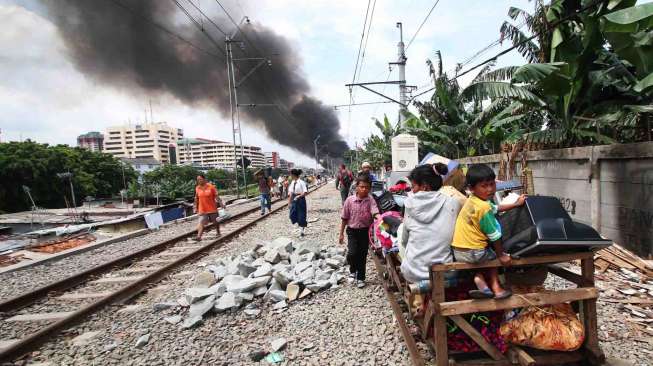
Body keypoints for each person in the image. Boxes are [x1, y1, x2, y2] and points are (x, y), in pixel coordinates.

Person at [451, 164, 526, 299]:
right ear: (471, 188)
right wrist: (501, 255)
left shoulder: (473, 200)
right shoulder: (483, 208)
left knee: (481, 256)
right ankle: (497, 288)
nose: (490, 189)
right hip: (474, 252)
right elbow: (494, 236)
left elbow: (496, 208)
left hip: (458, 251)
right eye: (484, 186)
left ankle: (481, 283)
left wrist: (515, 204)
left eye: (492, 184)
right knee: (493, 256)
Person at [400, 163, 462, 283]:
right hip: (446, 272)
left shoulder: (409, 203)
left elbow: (404, 241)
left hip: (414, 273)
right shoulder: (454, 203)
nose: (412, 191)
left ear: (424, 186)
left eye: (413, 186)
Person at [338, 174, 380, 288]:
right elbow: (344, 217)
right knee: (352, 253)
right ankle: (352, 271)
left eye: (367, 187)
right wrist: (341, 233)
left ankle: (361, 277)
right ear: (356, 187)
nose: (364, 189)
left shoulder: (370, 200)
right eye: (362, 187)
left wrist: (378, 217)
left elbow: (374, 211)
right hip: (352, 231)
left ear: (370, 188)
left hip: (365, 231)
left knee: (362, 255)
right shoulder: (349, 200)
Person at [193, 174, 221, 241]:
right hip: (202, 209)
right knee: (201, 221)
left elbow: (216, 196)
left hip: (212, 208)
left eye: (200, 179)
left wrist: (221, 203)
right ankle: (199, 237)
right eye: (198, 180)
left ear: (204, 179)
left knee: (215, 222)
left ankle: (218, 232)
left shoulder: (211, 187)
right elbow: (196, 198)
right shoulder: (197, 188)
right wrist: (195, 207)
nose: (199, 181)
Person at [288, 169, 308, 237]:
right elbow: (290, 193)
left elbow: (305, 192)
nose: (290, 176)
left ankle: (301, 230)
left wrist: (299, 196)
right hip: (294, 199)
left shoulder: (301, 182)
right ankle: (299, 224)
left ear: (293, 175)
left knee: (301, 215)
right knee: (292, 214)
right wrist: (289, 202)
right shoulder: (292, 182)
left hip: (301, 199)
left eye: (291, 174)